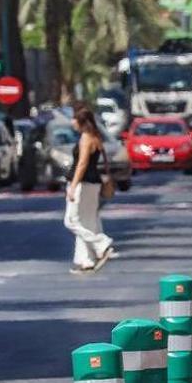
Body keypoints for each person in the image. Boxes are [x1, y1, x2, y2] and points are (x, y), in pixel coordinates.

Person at [63, 107, 115, 275]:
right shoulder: (96, 137)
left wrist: (73, 186)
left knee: (71, 221)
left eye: (74, 119)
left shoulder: (85, 138)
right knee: (87, 222)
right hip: (94, 184)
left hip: (82, 184)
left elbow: (82, 163)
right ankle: (86, 261)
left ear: (82, 122)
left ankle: (101, 244)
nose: (72, 122)